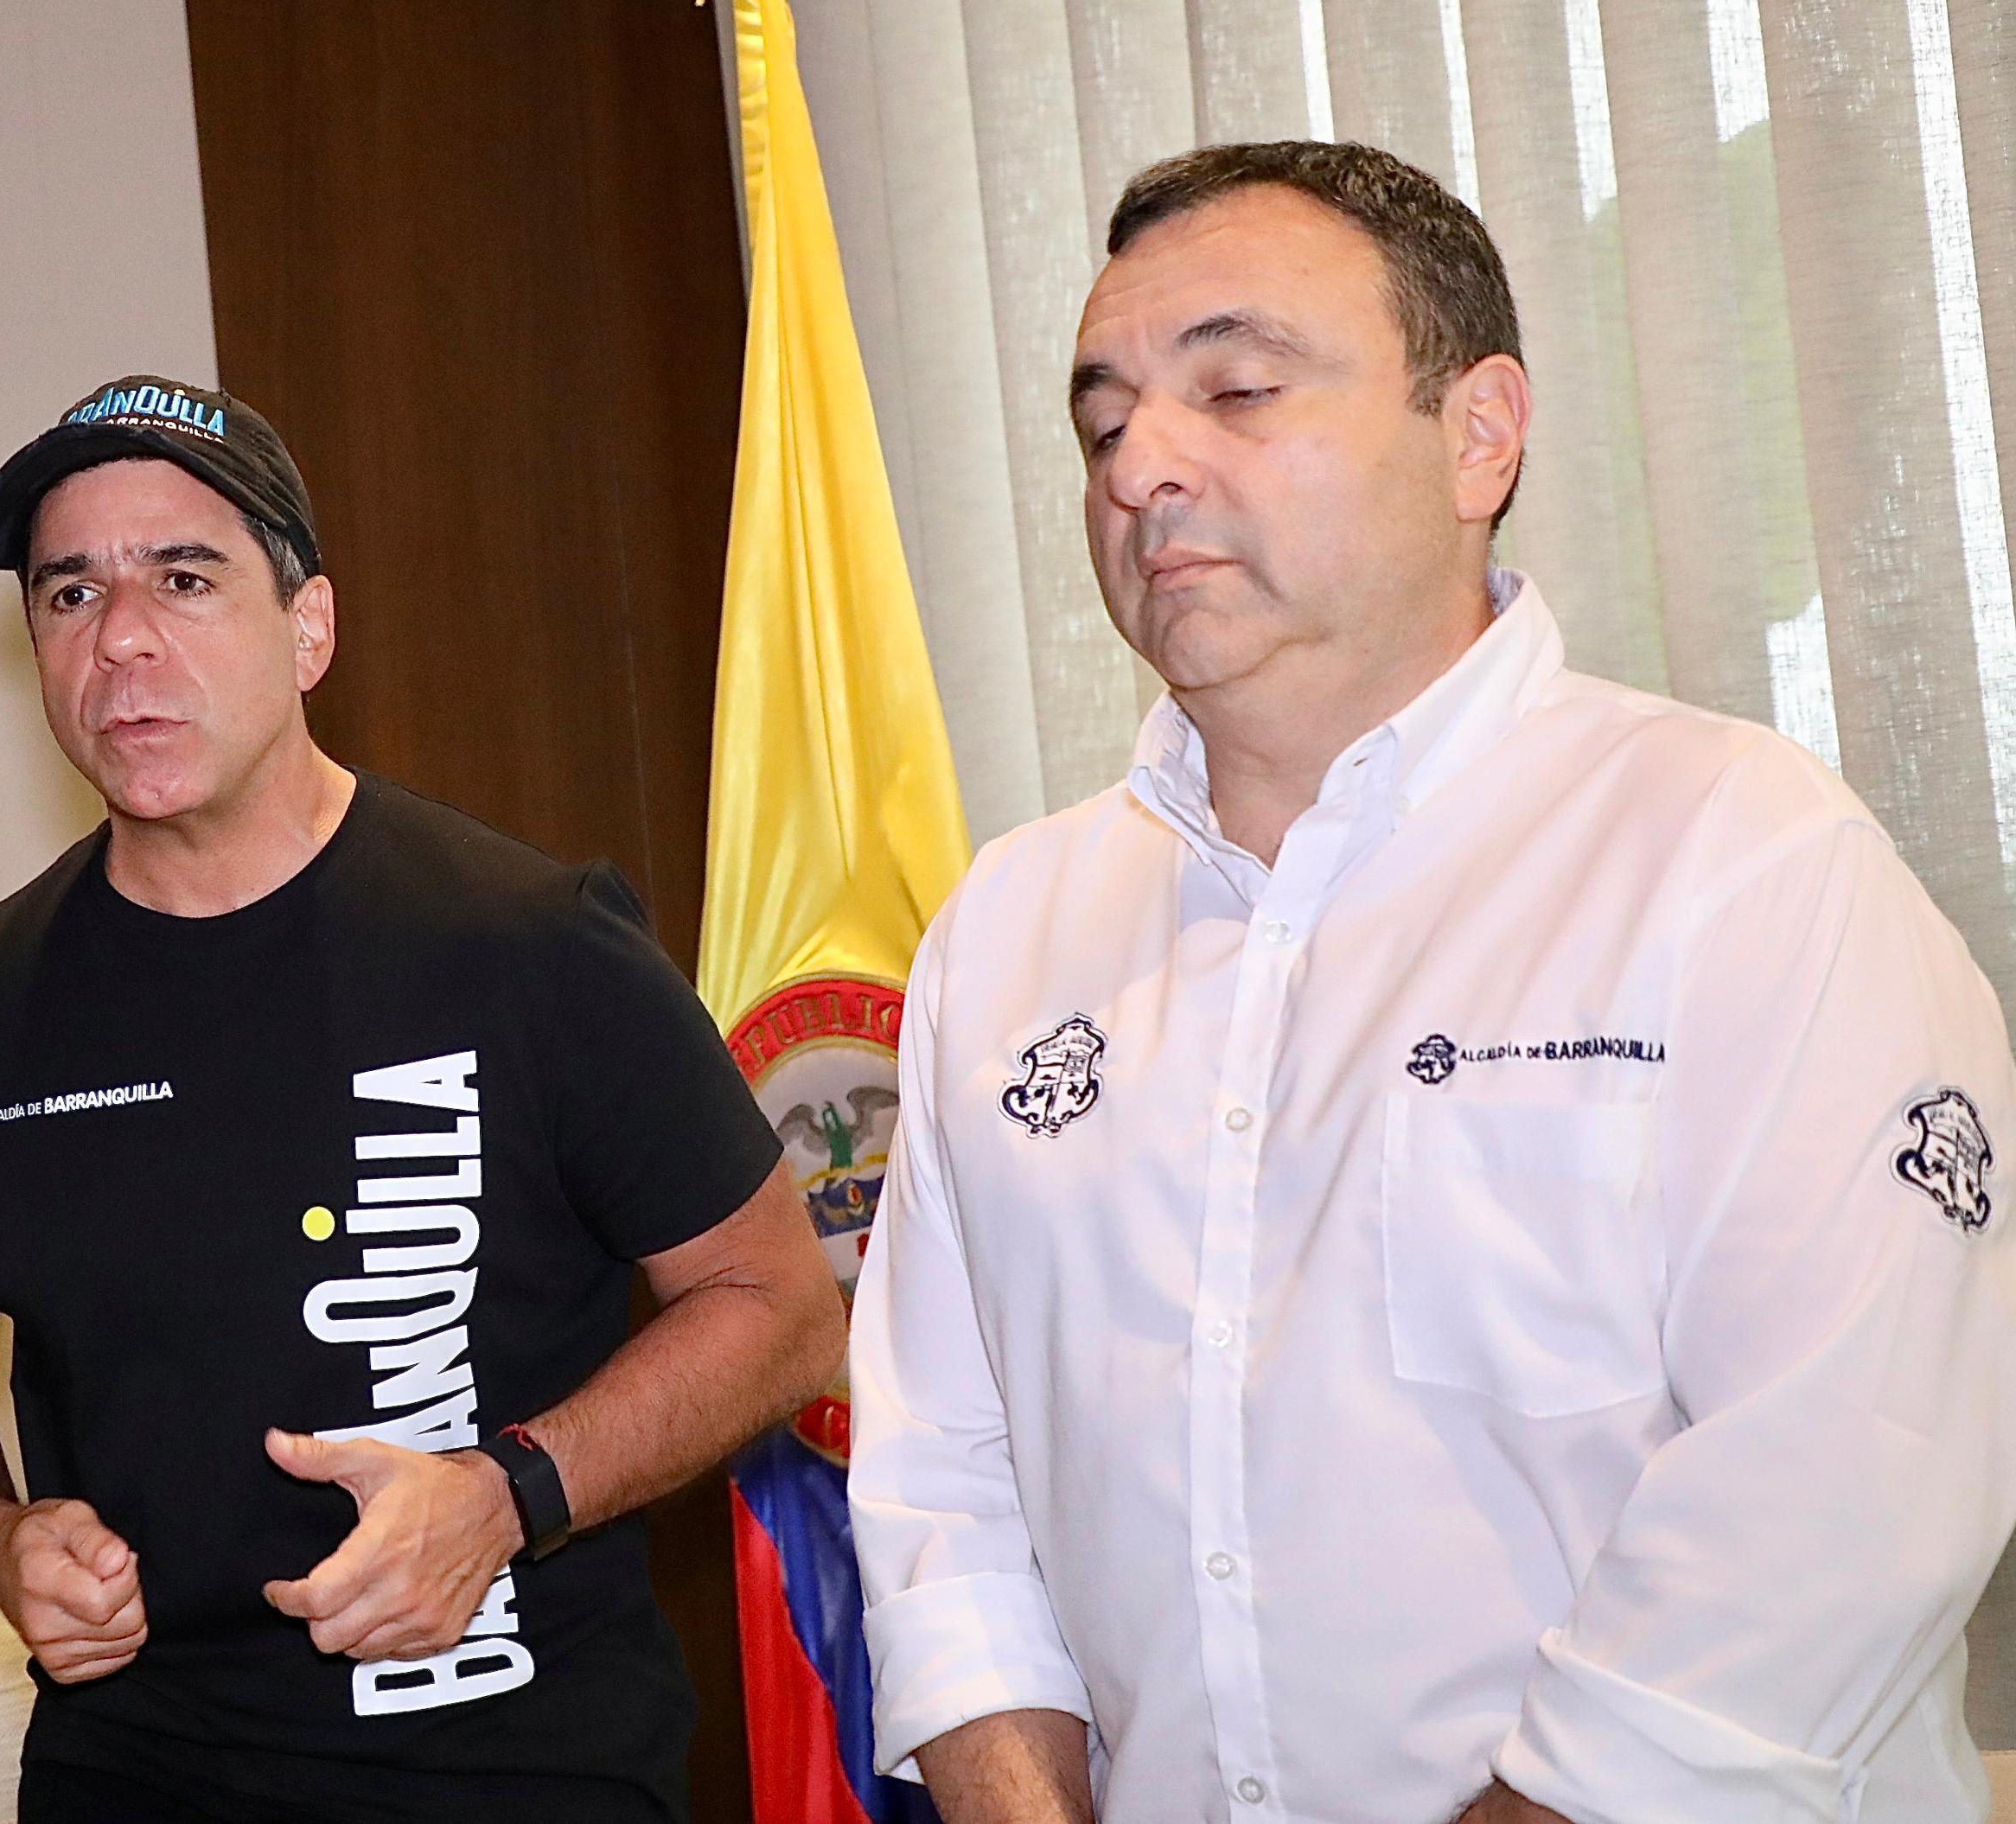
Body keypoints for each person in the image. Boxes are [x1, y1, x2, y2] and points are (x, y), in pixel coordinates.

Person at [848, 141, 2016, 1821]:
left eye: (1234, 390)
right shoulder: (1010, 928)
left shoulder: (1732, 857)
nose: (1140, 469)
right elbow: (939, 1481)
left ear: (1478, 433)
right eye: (1101, 424)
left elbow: (1847, 1473)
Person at [0, 375, 846, 1821]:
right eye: (69, 595)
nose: (122, 641)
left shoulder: (529, 944)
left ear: (308, 629)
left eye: (185, 578)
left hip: (520, 1777)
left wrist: (505, 1496)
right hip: (135, 1777)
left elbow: (783, 1306)